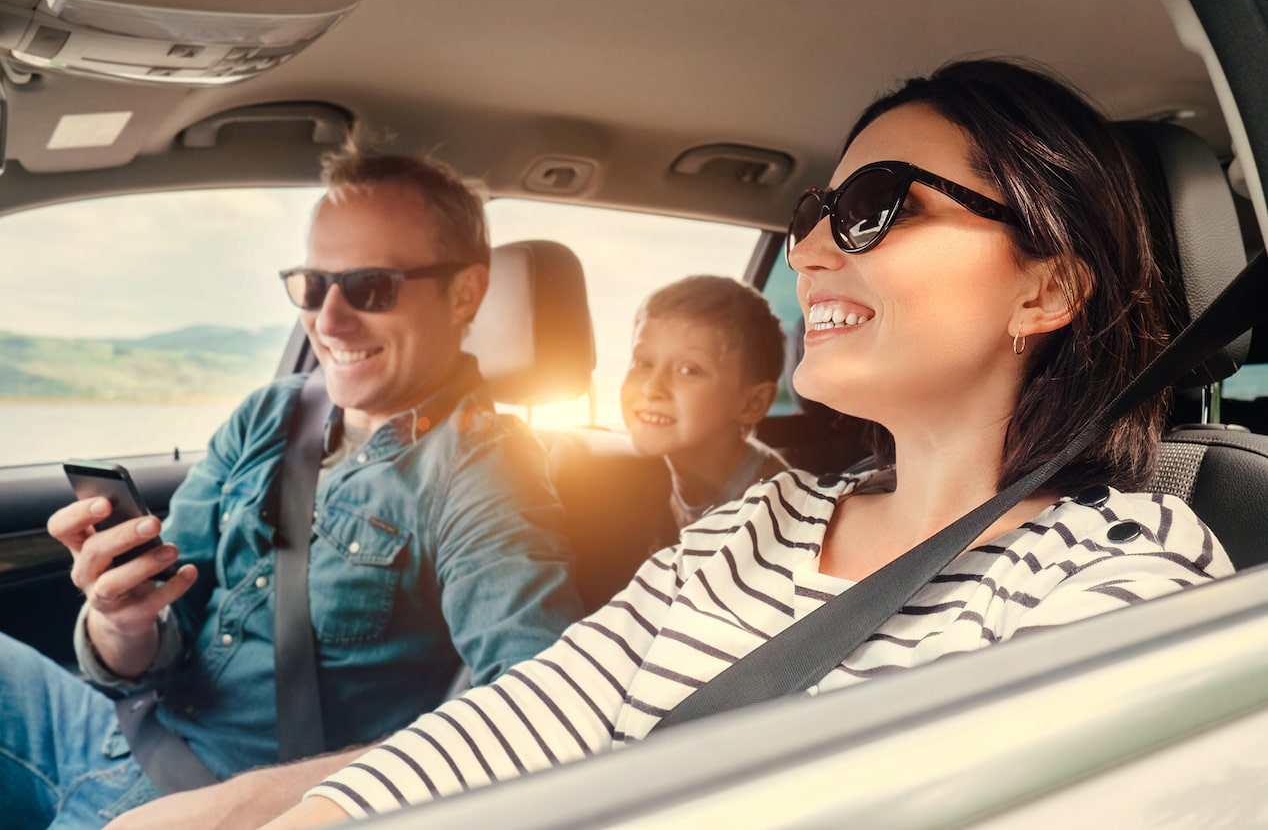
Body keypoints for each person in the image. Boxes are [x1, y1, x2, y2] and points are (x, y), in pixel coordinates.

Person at [266, 57, 1238, 828]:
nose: (808, 253)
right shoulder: (758, 523)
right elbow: (521, 722)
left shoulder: (1118, 573)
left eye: (874, 209)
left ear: (1045, 289)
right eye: (814, 214)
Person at [1, 141, 587, 829]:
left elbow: (536, 712)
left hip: (248, 806)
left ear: (465, 293)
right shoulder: (269, 414)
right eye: (313, 285)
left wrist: (235, 809)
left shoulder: (484, 471)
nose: (328, 321)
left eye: (371, 287)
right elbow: (168, 625)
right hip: (120, 736)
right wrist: (120, 622)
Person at [620, 275, 788, 536]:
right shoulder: (650, 481)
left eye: (688, 370)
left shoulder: (773, 513)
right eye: (643, 363)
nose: (651, 388)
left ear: (751, 404)